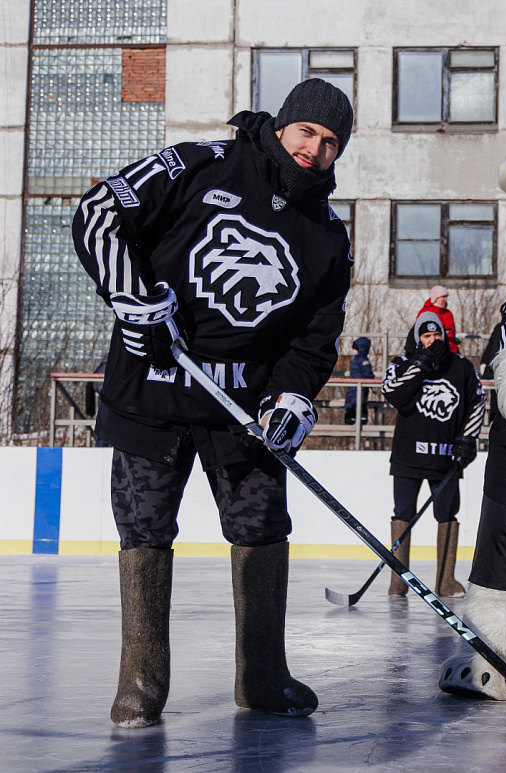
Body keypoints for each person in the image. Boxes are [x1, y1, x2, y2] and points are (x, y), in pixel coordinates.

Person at [72, 78, 354, 728]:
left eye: (331, 141)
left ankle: (263, 676)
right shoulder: (200, 165)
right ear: (283, 125)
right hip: (153, 391)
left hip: (244, 413)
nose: (315, 148)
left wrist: (293, 395)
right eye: (307, 131)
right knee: (144, 530)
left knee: (261, 526)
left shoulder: (325, 235)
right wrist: (131, 297)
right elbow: (98, 213)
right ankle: (141, 681)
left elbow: (316, 336)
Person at [381, 311, 485, 598]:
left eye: (437, 335)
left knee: (447, 515)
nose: (433, 340)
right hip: (407, 458)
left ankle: (445, 581)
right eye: (426, 336)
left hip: (447, 459)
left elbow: (477, 401)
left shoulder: (461, 366)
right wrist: (422, 364)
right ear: (417, 339)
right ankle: (398, 582)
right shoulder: (401, 363)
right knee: (403, 513)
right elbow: (393, 393)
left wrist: (467, 439)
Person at [418, 285, 459, 354]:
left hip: (451, 349)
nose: (445, 299)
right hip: (434, 349)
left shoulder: (448, 313)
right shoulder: (426, 312)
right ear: (435, 298)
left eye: (446, 297)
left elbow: (452, 333)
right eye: (443, 297)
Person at [343, 336, 375, 425]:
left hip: (360, 387)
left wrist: (372, 385)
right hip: (352, 386)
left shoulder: (363, 361)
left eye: (355, 349)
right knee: (351, 401)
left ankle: (362, 417)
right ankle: (350, 417)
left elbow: (368, 373)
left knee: (360, 402)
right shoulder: (356, 360)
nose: (353, 351)